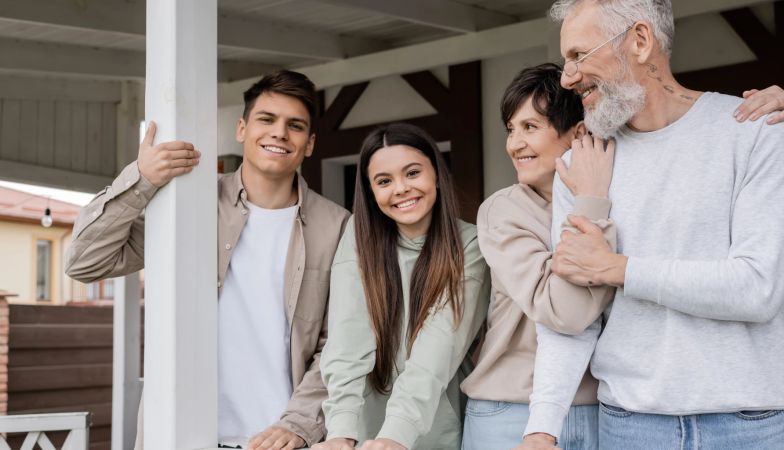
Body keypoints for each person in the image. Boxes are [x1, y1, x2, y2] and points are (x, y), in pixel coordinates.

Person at [466, 62, 784, 450]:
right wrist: (542, 427)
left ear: (580, 133)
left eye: (530, 127)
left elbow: (740, 207)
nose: (514, 143)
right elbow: (568, 318)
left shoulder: (611, 171)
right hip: (581, 411)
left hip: (737, 413)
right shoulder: (521, 206)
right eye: (511, 129)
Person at [65, 70, 350, 450]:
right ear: (241, 129)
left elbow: (341, 343)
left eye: (294, 126)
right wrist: (142, 180)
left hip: (286, 440)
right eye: (267, 119)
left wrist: (299, 425)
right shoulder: (188, 207)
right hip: (185, 436)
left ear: (309, 143)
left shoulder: (338, 227)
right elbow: (84, 261)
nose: (279, 133)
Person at [311, 123, 491, 450]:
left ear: (436, 173)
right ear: (370, 192)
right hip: (359, 434)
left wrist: (396, 435)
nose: (401, 189)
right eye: (384, 181)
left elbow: (438, 348)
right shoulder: (358, 237)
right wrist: (340, 432)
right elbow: (348, 338)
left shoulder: (471, 245)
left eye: (412, 173)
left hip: (436, 431)